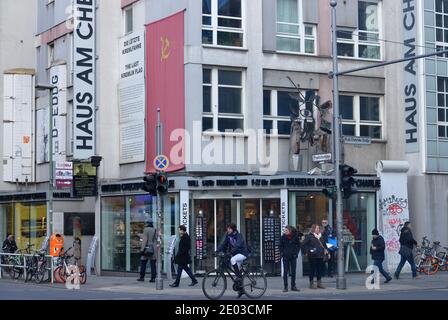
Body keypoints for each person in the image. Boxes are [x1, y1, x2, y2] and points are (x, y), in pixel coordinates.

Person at [218, 223, 249, 298]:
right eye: (227, 228)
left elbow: (238, 245)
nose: (227, 230)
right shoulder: (228, 236)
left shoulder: (239, 235)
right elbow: (223, 244)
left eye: (229, 228)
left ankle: (239, 276)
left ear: (232, 229)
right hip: (236, 255)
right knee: (235, 270)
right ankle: (241, 290)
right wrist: (217, 251)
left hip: (243, 253)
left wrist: (230, 252)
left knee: (233, 260)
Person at [301, 224, 328, 289]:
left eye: (318, 228)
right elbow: (303, 244)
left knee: (319, 270)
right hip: (312, 256)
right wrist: (307, 251)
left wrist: (327, 251)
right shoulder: (309, 236)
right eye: (317, 228)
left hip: (320, 255)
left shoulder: (321, 237)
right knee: (312, 270)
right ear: (313, 229)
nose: (318, 229)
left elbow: (324, 245)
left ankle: (319, 283)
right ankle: (311, 283)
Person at [280, 226, 301, 292]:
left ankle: (293, 286)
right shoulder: (283, 237)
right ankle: (285, 286)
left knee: (293, 271)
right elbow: (280, 246)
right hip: (285, 256)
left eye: (286, 230)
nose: (285, 231)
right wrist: (283, 253)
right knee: (285, 272)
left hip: (293, 256)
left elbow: (298, 245)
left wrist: (296, 253)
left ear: (290, 231)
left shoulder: (295, 237)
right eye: (284, 230)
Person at [137, 218, 157, 282]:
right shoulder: (155, 230)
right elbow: (156, 239)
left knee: (143, 263)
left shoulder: (146, 229)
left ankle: (142, 277)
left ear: (147, 223)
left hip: (146, 248)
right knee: (153, 264)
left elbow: (144, 240)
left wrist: (142, 249)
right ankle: (153, 278)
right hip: (153, 249)